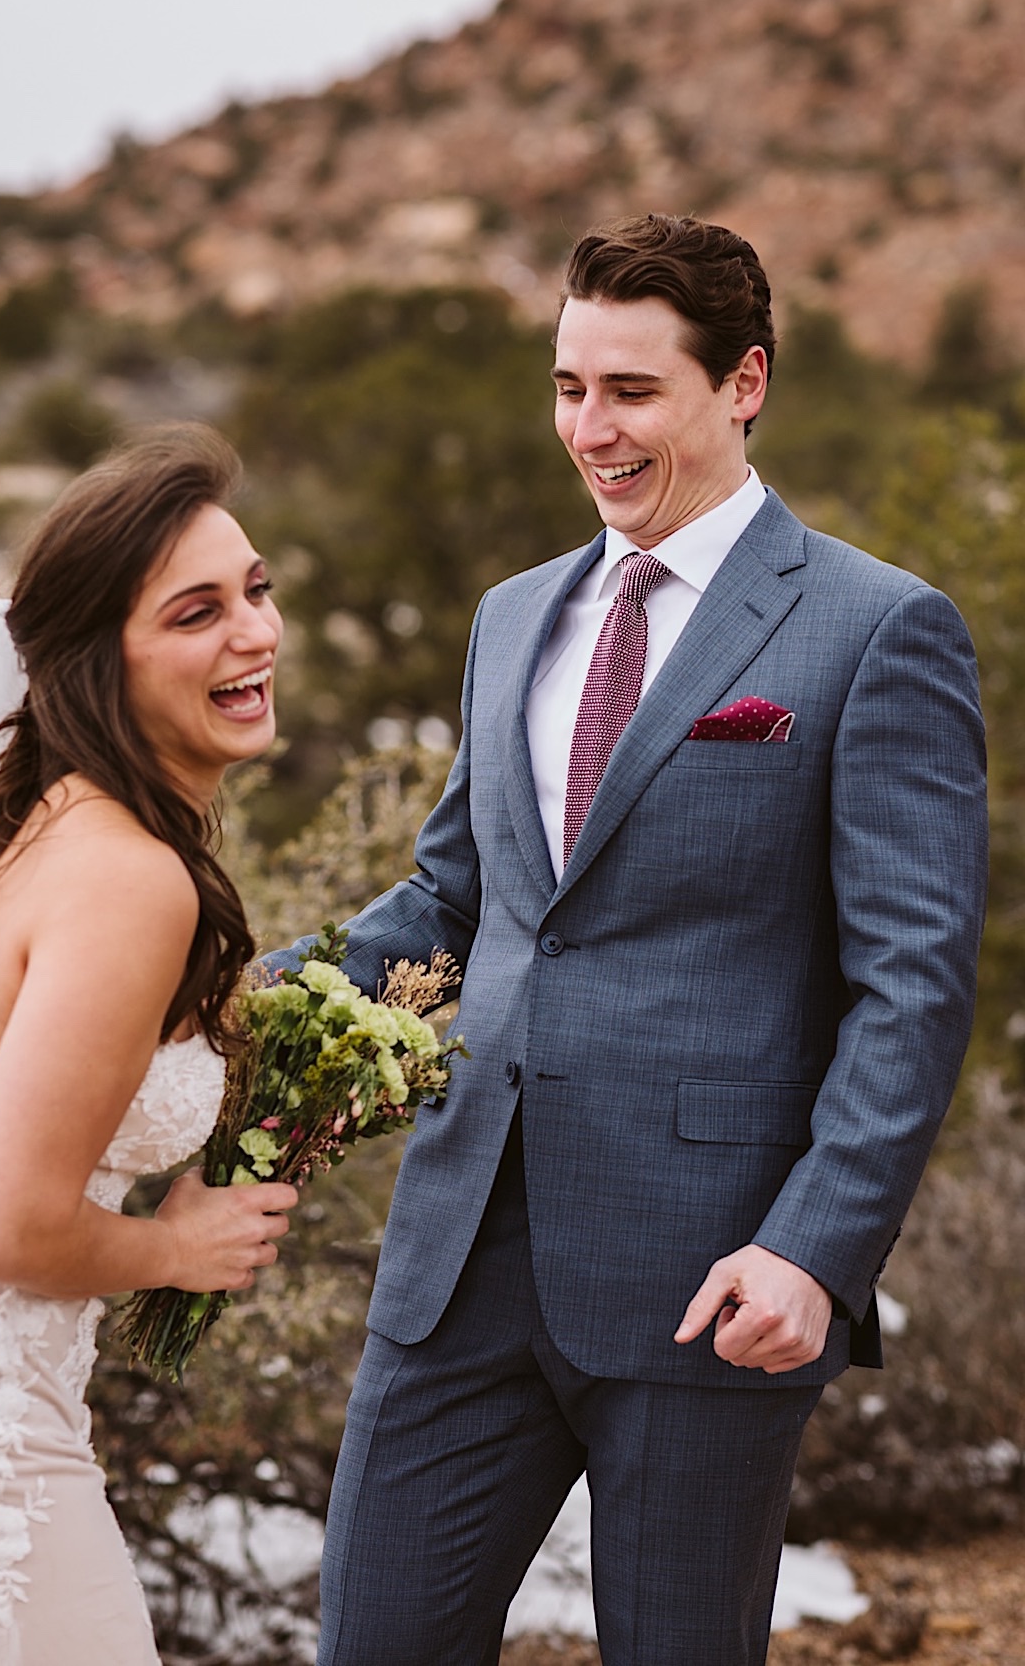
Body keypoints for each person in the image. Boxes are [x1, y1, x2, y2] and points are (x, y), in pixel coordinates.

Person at [268, 216, 988, 1665]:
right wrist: (246, 999)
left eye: (632, 391)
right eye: (566, 386)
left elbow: (912, 982)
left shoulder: (877, 628)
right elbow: (456, 908)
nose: (589, 429)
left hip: (712, 1279)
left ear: (745, 383)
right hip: (457, 1257)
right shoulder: (512, 616)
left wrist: (814, 1247)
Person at [0, 424, 298, 1664]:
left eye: (256, 590)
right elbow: (8, 1227)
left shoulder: (42, 825)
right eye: (195, 614)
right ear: (98, 663)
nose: (254, 635)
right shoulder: (133, 882)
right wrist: (177, 1246)